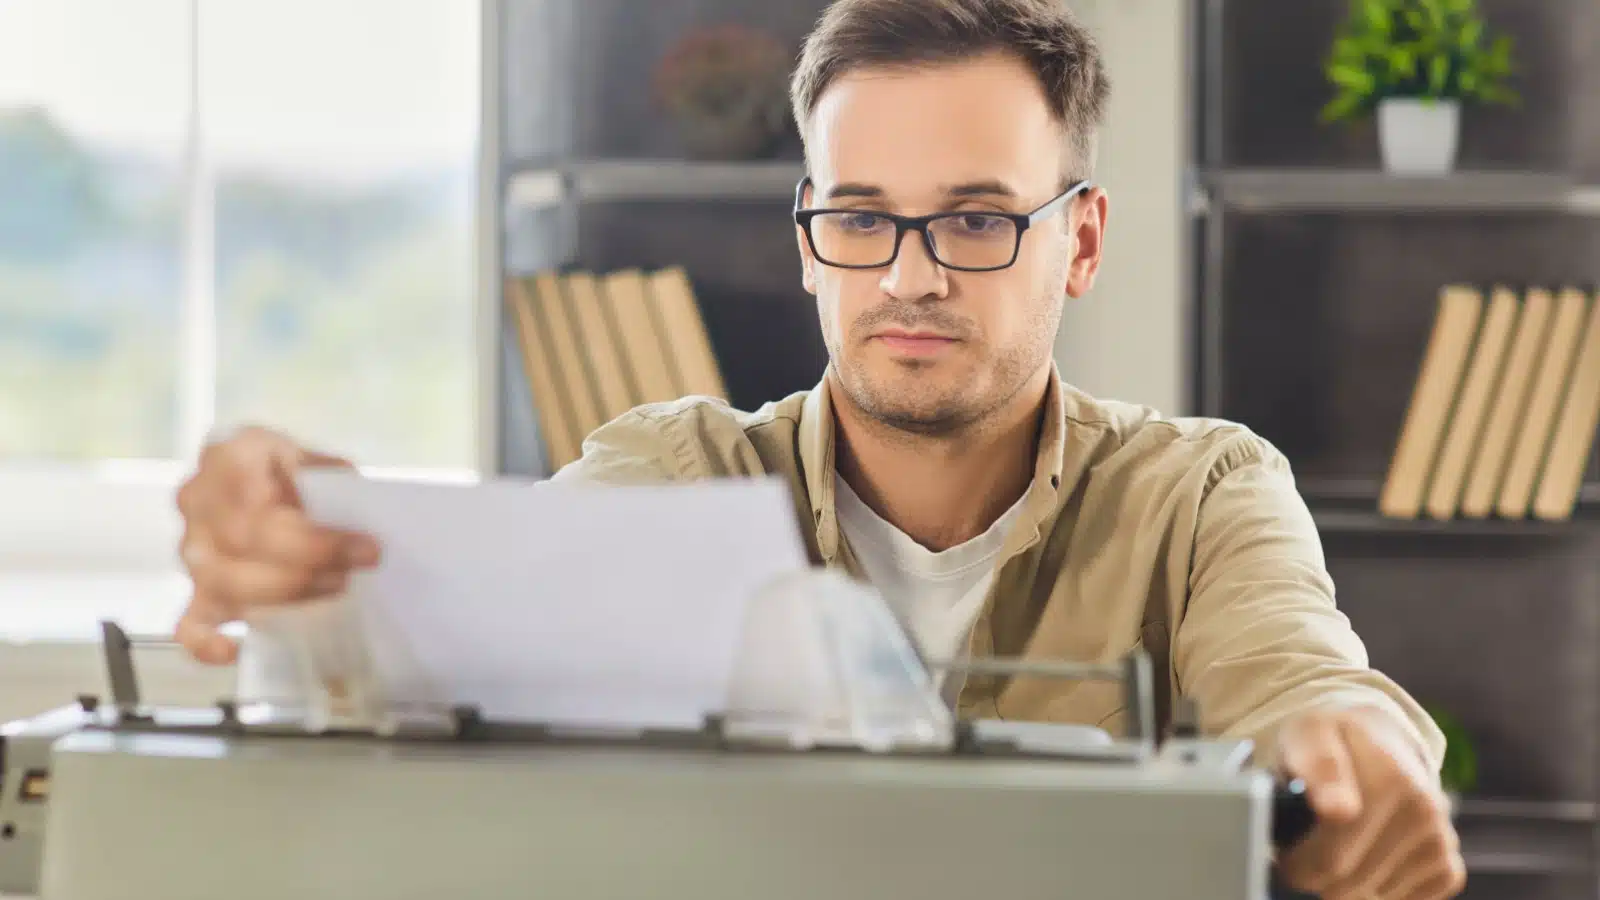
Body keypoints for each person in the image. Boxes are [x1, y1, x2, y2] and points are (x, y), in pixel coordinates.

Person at [172, 0, 1465, 896]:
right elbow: (486, 612)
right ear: (807, 237)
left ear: (1078, 240)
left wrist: (1354, 756)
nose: (908, 277)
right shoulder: (675, 468)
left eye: (974, 220)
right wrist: (309, 535)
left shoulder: (1202, 490)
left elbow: (1304, 681)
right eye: (860, 218)